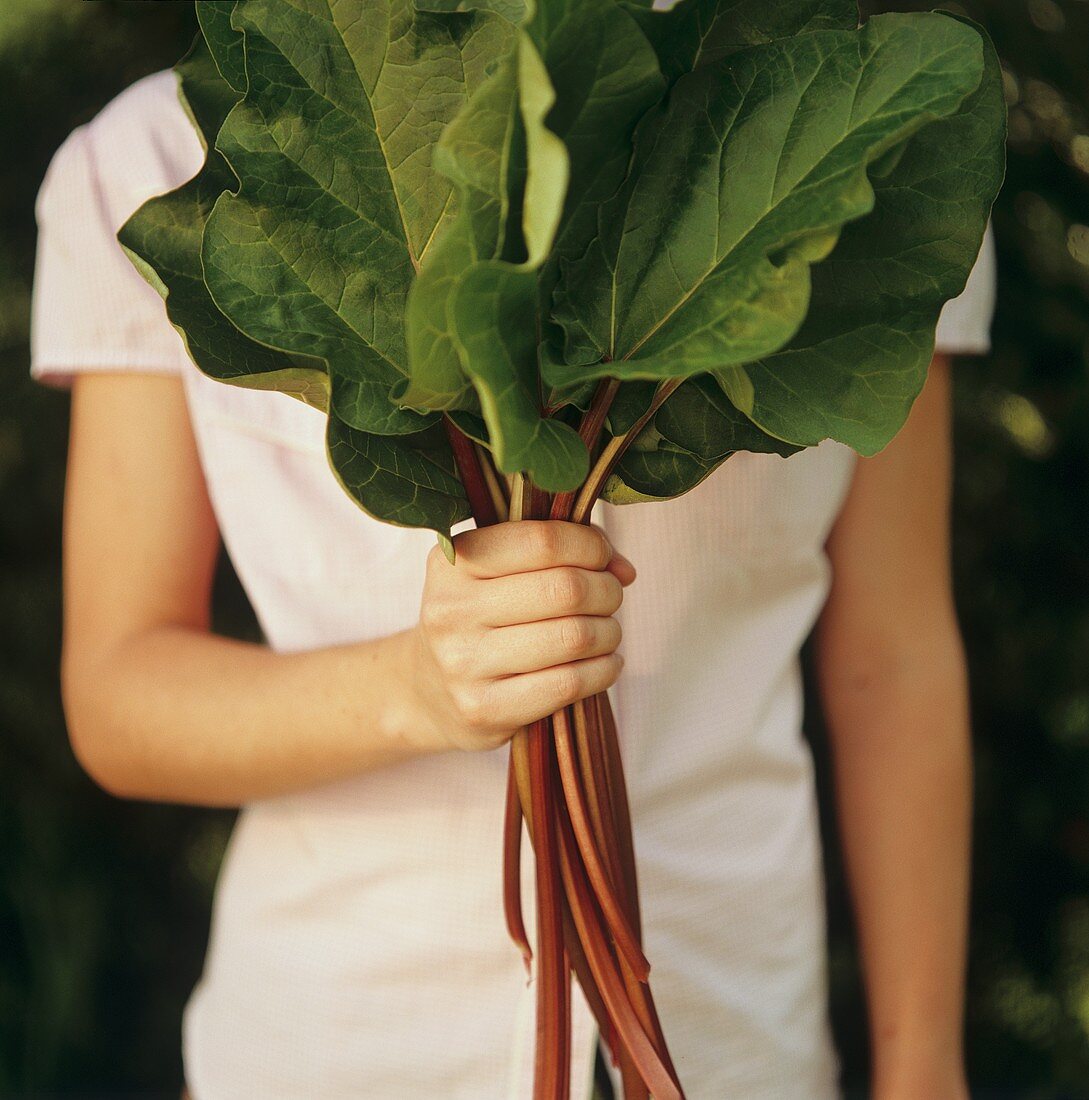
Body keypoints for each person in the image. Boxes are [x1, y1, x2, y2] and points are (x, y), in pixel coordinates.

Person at [31, 63, 996, 1100]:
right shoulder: (154, 158)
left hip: (738, 1036)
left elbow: (891, 666)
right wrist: (411, 688)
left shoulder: (855, 117)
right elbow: (119, 689)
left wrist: (922, 1062)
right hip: (334, 1046)